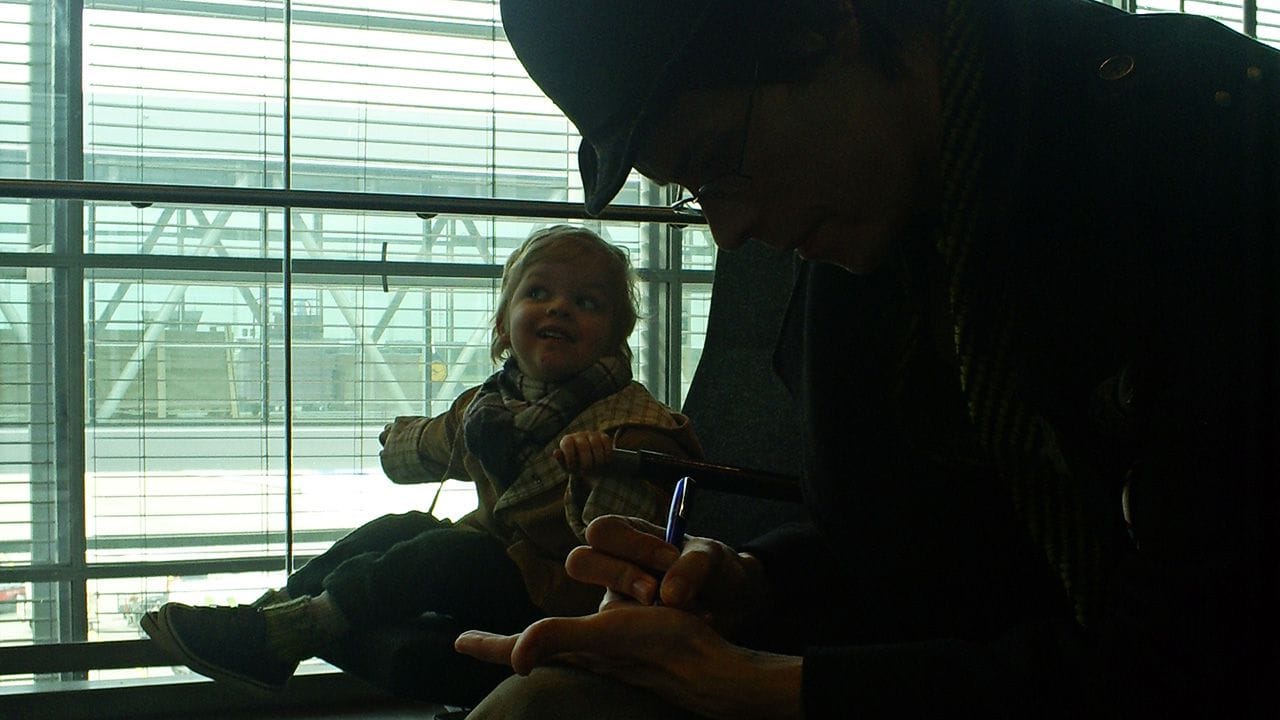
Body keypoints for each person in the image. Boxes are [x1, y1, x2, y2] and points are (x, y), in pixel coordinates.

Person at [453, 0, 1279, 718]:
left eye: (717, 163)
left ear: (820, 20)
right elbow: (910, 543)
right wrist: (755, 583)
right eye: (696, 194)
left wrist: (774, 691)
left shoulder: (1207, 155)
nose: (730, 228)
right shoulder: (871, 228)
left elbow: (1203, 653)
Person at [141, 224, 702, 703]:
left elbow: (614, 552)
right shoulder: (494, 407)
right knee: (402, 527)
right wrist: (402, 439)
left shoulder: (632, 425)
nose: (559, 307)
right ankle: (266, 624)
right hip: (499, 570)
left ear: (615, 336)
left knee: (447, 552)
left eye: (587, 302)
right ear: (505, 326)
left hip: (563, 596)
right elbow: (417, 454)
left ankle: (291, 633)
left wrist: (600, 470)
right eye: (539, 293)